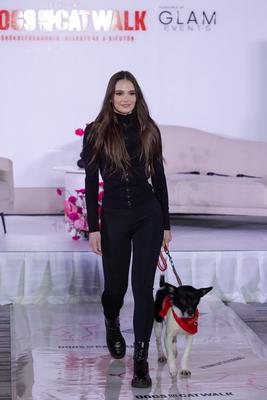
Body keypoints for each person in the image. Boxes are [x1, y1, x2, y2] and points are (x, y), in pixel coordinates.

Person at [80, 71, 171, 388]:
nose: (126, 98)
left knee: (143, 289)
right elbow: (91, 183)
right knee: (115, 289)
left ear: (138, 96)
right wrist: (94, 228)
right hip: (114, 215)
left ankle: (141, 362)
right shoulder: (95, 132)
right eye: (120, 93)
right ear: (110, 97)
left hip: (148, 213)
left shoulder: (149, 129)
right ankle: (111, 319)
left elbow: (158, 178)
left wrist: (166, 224)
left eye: (131, 93)